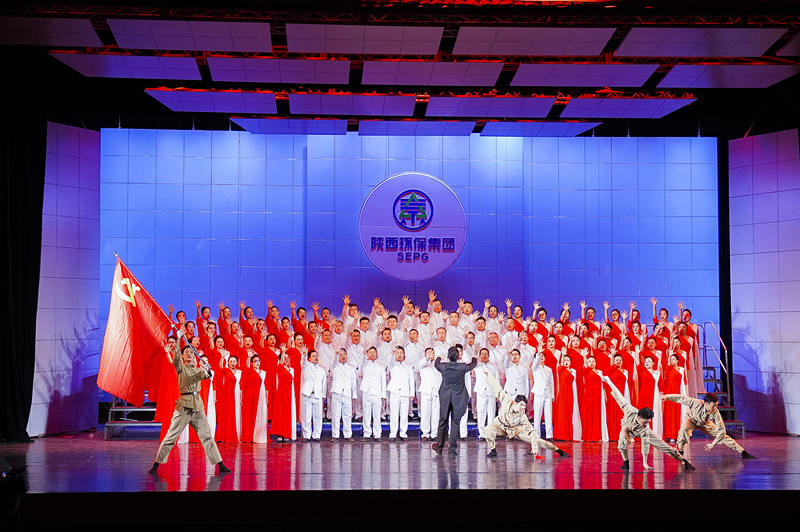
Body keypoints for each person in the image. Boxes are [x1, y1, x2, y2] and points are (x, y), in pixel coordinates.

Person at [149, 330, 230, 475]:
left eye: (191, 352)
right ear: (182, 355)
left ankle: (220, 463)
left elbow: (207, 375)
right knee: (171, 436)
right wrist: (179, 339)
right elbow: (175, 359)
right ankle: (156, 464)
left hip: (197, 405)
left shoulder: (198, 369)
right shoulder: (180, 367)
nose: (189, 354)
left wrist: (208, 369)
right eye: (186, 352)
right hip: (184, 406)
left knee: (207, 436)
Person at [601, 374, 695, 471]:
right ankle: (626, 462)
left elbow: (645, 445)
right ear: (639, 417)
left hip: (640, 432)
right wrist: (608, 381)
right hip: (627, 427)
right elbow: (618, 395)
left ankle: (683, 460)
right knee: (622, 443)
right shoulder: (629, 410)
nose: (646, 424)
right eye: (645, 422)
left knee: (665, 447)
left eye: (648, 422)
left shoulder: (645, 429)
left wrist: (645, 463)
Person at [481, 367, 569, 459]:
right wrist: (488, 375)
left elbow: (532, 432)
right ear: (516, 403)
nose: (523, 408)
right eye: (521, 405)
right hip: (500, 426)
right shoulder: (507, 401)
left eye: (524, 406)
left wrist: (534, 448)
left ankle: (558, 450)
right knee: (488, 430)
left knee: (536, 440)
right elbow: (497, 388)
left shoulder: (523, 417)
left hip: (515, 430)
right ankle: (493, 450)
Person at [662, 392, 756, 459]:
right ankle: (680, 452)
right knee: (684, 429)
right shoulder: (696, 402)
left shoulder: (715, 411)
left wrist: (713, 443)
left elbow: (722, 430)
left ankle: (742, 452)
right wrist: (666, 397)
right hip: (692, 420)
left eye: (716, 405)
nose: (715, 407)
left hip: (705, 423)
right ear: (706, 404)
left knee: (723, 436)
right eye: (713, 405)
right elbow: (680, 398)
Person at [433, 346, 477, 455]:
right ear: (458, 357)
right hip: (458, 397)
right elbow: (473, 364)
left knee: (443, 420)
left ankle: (439, 447)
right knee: (455, 421)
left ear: (448, 356)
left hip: (445, 397)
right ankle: (452, 449)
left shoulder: (443, 367)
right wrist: (474, 356)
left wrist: (439, 357)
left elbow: (436, 364)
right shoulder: (462, 367)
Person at [387, 346, 414, 441]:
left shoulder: (408, 366)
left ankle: (403, 433)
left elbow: (411, 381)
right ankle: (393, 434)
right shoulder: (392, 365)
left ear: (404, 354)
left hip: (405, 393)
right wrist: (392, 353)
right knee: (394, 413)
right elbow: (389, 362)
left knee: (404, 414)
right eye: (397, 353)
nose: (399, 354)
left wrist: (412, 393)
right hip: (394, 392)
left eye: (401, 353)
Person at [330, 348, 358, 441]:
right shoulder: (335, 366)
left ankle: (348, 435)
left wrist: (354, 394)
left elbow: (353, 382)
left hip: (347, 393)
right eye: (341, 355)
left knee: (347, 415)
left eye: (344, 354)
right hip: (337, 393)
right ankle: (335, 435)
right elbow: (333, 363)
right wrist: (335, 355)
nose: (343, 356)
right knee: (336, 415)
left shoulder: (351, 368)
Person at [240, 354, 269, 443]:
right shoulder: (249, 371)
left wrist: (267, 398)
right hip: (250, 397)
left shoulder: (263, 373)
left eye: (258, 361)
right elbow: (242, 384)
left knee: (262, 415)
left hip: (261, 396)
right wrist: (248, 357)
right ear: (251, 363)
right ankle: (250, 436)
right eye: (255, 361)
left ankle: (260, 436)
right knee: (250, 416)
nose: (257, 363)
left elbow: (266, 386)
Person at [360, 346, 386, 440]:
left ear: (377, 354)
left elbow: (383, 381)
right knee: (366, 415)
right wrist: (364, 355)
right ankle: (366, 434)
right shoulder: (365, 365)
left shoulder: (381, 367)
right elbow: (362, 362)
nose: (372, 354)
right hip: (366, 392)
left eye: (374, 352)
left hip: (377, 393)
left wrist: (383, 394)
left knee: (377, 416)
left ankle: (377, 434)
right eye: (370, 352)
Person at [473, 348, 499, 440]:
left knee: (491, 414)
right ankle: (482, 434)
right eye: (482, 354)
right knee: (481, 413)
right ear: (480, 356)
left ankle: (490, 434)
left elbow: (497, 380)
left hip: (491, 392)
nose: (484, 355)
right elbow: (473, 362)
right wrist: (475, 356)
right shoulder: (477, 366)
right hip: (481, 392)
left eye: (486, 354)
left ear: (489, 355)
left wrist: (497, 393)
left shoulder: (493, 367)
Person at [418, 347, 442, 441]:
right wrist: (427, 358)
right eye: (428, 353)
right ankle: (425, 434)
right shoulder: (422, 364)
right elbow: (421, 364)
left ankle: (434, 434)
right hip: (426, 391)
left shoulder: (438, 365)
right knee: (425, 413)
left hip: (436, 391)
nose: (431, 354)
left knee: (436, 414)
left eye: (432, 352)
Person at [300, 350, 325, 441]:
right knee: (306, 416)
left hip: (317, 395)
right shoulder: (306, 367)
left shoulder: (322, 370)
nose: (316, 357)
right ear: (309, 358)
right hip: (307, 394)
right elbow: (303, 362)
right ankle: (306, 435)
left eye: (316, 355)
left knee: (318, 416)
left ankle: (317, 435)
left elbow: (324, 384)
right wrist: (304, 355)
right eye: (313, 356)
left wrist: (323, 395)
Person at [272, 351, 297, 442]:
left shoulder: (292, 369)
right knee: (281, 413)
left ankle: (287, 434)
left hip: (289, 393)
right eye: (284, 358)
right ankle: (280, 434)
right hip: (281, 393)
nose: (286, 359)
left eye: (287, 358)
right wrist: (282, 353)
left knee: (288, 413)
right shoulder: (279, 368)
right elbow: (278, 367)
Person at [530, 351, 555, 439]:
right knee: (537, 414)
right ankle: (537, 435)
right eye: (539, 356)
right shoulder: (535, 368)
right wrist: (538, 354)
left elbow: (551, 383)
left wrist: (552, 395)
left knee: (548, 414)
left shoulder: (549, 369)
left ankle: (549, 435)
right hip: (539, 393)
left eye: (542, 356)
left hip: (548, 393)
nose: (541, 357)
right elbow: (534, 364)